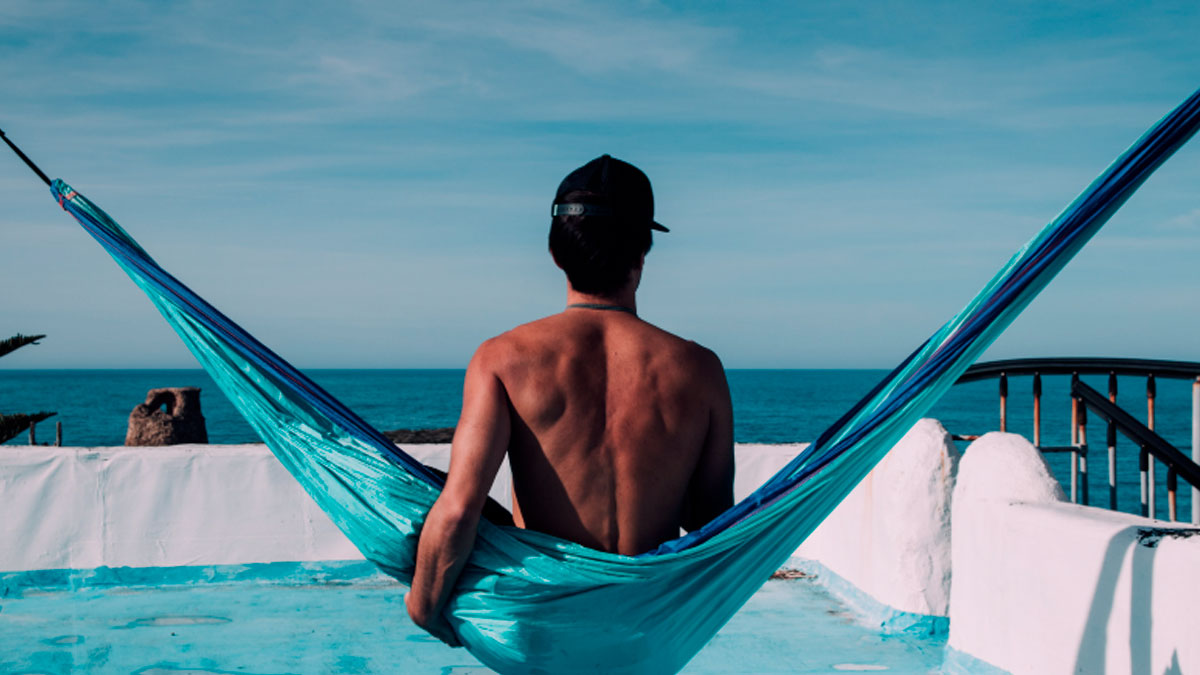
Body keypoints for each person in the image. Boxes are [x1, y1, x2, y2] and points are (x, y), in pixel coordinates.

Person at [406, 155, 734, 646]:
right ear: (642, 252)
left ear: (556, 253)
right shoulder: (700, 369)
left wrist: (426, 610)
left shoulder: (503, 358)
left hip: (543, 626)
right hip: (648, 626)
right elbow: (712, 524)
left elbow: (458, 511)